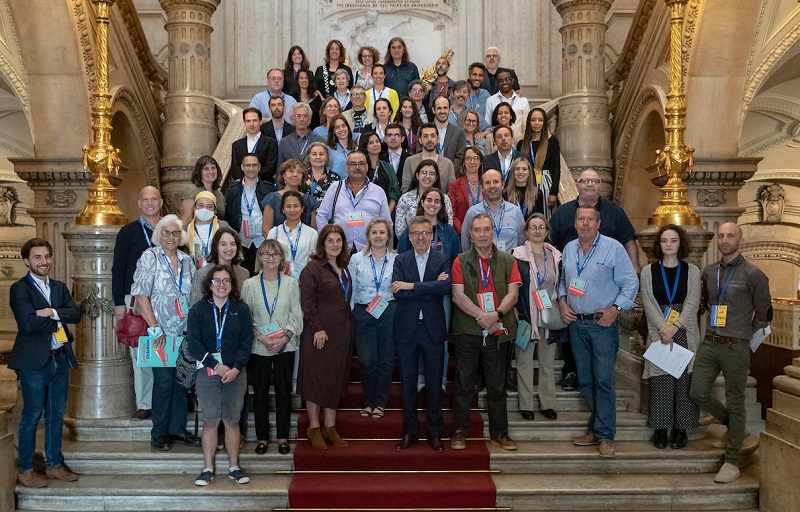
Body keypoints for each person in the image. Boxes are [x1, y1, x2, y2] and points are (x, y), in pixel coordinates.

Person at [689, 222, 772, 484]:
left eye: (730, 236)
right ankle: (736, 429)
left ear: (740, 240)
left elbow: (764, 313)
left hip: (736, 345)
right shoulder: (709, 271)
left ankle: (732, 460)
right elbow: (703, 304)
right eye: (721, 236)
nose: (725, 240)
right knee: (697, 391)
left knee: (736, 401)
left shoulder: (754, 274)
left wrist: (746, 337)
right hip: (710, 342)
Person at [549, 168, 642, 391]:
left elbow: (628, 238)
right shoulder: (563, 212)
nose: (590, 184)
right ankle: (571, 370)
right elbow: (551, 243)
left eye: (595, 181)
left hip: (603, 284)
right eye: (585, 181)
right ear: (577, 185)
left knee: (601, 368)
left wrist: (635, 266)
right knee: (572, 328)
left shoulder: (614, 211)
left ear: (600, 186)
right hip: (571, 283)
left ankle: (602, 419)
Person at [557, 206, 638, 458]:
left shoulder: (613, 248)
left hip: (602, 324)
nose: (585, 223)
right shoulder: (569, 248)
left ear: (598, 222)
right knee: (586, 380)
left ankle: (605, 436)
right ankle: (594, 428)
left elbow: (630, 282)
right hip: (576, 324)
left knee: (603, 380)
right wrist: (561, 301)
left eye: (589, 219)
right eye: (580, 219)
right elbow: (563, 281)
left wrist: (616, 309)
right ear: (575, 222)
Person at [11, 238, 82, 488]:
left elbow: (76, 314)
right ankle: (26, 469)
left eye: (47, 256)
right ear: (26, 261)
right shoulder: (19, 289)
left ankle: (54, 464)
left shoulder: (60, 287)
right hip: (33, 362)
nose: (44, 262)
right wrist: (59, 316)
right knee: (31, 416)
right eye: (38, 257)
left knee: (55, 416)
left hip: (59, 358)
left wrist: (50, 312)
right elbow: (28, 323)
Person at [451, 213, 520, 451]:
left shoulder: (509, 261)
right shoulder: (460, 260)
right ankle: (460, 430)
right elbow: (458, 295)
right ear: (470, 233)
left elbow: (513, 294)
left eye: (486, 230)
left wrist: (496, 315)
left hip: (498, 331)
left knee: (497, 386)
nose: (482, 235)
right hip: (469, 330)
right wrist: (483, 317)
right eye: (477, 230)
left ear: (493, 232)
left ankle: (500, 433)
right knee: (463, 384)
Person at [131, 214, 199, 452]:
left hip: (184, 331)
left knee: (182, 382)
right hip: (160, 332)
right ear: (158, 234)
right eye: (167, 232)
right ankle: (159, 432)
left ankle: (177, 429)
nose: (171, 237)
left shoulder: (187, 260)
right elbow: (141, 294)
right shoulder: (149, 257)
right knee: (163, 382)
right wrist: (154, 327)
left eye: (176, 233)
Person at [187, 265, 252, 486]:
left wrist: (234, 368)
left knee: (232, 420)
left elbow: (246, 342)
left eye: (226, 281)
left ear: (232, 285)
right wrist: (217, 366)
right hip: (208, 372)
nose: (221, 285)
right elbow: (193, 344)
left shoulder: (240, 309)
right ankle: (208, 468)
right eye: (217, 281)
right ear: (209, 284)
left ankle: (234, 467)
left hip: (236, 372)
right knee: (211, 421)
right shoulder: (198, 310)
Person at [392, 216, 452, 453]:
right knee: (407, 384)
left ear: (432, 236)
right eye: (415, 233)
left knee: (434, 384)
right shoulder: (401, 259)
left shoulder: (442, 259)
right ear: (409, 236)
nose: (420, 237)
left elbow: (445, 288)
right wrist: (428, 286)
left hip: (433, 330)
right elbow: (397, 292)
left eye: (425, 233)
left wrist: (411, 286)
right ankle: (410, 431)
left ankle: (435, 433)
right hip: (406, 330)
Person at [640, 225, 700, 450]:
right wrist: (663, 328)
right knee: (661, 382)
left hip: (684, 331)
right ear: (659, 244)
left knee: (684, 382)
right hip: (659, 333)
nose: (668, 244)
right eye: (664, 240)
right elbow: (648, 302)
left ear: (680, 243)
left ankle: (681, 429)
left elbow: (692, 303)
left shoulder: (692, 271)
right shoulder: (648, 271)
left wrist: (675, 326)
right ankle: (661, 429)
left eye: (673, 240)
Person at [242, 240, 303, 456]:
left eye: (275, 254)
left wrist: (283, 338)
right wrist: (262, 337)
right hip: (259, 346)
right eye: (266, 254)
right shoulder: (249, 284)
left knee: (283, 392)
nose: (270, 258)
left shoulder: (291, 283)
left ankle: (283, 437)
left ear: (281, 259)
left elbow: (297, 315)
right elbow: (245, 318)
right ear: (259, 257)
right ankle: (262, 438)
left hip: (284, 345)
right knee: (259, 393)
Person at [298, 224, 355, 449]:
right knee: (316, 376)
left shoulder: (344, 267)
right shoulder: (313, 268)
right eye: (330, 241)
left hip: (342, 331)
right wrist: (317, 328)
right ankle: (314, 426)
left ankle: (330, 426)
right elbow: (307, 302)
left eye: (338, 241)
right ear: (322, 244)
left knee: (336, 376)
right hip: (319, 332)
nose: (335, 245)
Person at [112, 186, 161, 421]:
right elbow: (119, 268)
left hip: (165, 300)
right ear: (139, 204)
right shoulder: (128, 232)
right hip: (135, 299)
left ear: (161, 202)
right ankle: (145, 403)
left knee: (167, 347)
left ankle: (166, 397)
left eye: (154, 199)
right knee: (142, 352)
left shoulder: (170, 230)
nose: (150, 203)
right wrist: (118, 303)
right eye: (145, 200)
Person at [512, 214, 561, 421]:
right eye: (533, 227)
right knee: (524, 361)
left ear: (547, 231)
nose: (538, 231)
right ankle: (526, 404)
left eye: (542, 227)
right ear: (526, 231)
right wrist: (514, 308)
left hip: (549, 315)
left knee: (547, 362)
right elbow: (512, 284)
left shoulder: (555, 255)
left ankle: (547, 403)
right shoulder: (517, 255)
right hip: (525, 314)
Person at [348, 218, 396, 420]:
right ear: (368, 235)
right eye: (374, 232)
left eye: (382, 232)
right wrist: (353, 313)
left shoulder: (397, 258)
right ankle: (368, 401)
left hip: (389, 310)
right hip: (363, 310)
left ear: (388, 236)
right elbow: (350, 287)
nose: (378, 236)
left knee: (385, 359)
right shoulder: (356, 259)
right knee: (367, 360)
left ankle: (380, 403)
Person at [316, 150, 392, 253]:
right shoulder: (335, 188)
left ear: (366, 167)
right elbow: (322, 216)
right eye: (353, 164)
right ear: (346, 167)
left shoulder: (378, 192)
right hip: (339, 251)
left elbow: (387, 223)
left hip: (369, 251)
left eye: (361, 164)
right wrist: (328, 240)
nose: (357, 167)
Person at [223, 154, 276, 275]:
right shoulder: (232, 191)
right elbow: (229, 216)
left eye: (254, 165)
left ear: (259, 167)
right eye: (247, 165)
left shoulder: (269, 190)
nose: (251, 168)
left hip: (263, 240)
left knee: (265, 275)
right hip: (242, 242)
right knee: (242, 276)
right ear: (242, 167)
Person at [460, 169, 525, 253]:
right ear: (482, 187)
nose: (492, 186)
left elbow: (522, 243)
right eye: (487, 183)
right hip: (481, 264)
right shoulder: (472, 213)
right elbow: (465, 244)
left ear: (503, 185)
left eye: (496, 182)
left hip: (510, 263)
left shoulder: (515, 211)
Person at [189, 227, 250, 306]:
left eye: (232, 244)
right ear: (216, 247)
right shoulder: (201, 274)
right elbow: (195, 309)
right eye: (223, 244)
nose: (229, 248)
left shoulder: (244, 274)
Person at [395, 159, 454, 238]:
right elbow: (399, 231)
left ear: (436, 178)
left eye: (431, 173)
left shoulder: (445, 199)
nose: (427, 176)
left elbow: (448, 225)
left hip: (439, 244)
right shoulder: (405, 198)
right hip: (411, 245)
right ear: (417, 175)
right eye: (424, 172)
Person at [267, 190, 319, 279]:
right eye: (288, 206)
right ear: (283, 209)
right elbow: (268, 258)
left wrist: (303, 278)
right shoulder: (274, 232)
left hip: (305, 281)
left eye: (296, 206)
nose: (292, 210)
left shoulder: (311, 233)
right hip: (279, 280)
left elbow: (314, 261)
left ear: (302, 208)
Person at [519, 107, 561, 214]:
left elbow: (556, 168)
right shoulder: (522, 144)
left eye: (540, 120)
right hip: (527, 183)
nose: (536, 123)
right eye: (533, 120)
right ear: (529, 122)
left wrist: (553, 193)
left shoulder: (552, 141)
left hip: (545, 183)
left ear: (545, 122)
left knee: (545, 216)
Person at [260, 159, 315, 236]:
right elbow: (266, 231)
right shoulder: (272, 199)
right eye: (291, 171)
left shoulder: (310, 200)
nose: (295, 175)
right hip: (277, 246)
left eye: (299, 172)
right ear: (284, 175)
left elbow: (314, 230)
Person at [229, 107, 278, 186]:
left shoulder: (271, 143)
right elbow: (235, 168)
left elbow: (271, 167)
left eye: (254, 120)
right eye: (248, 121)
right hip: (242, 186)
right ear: (244, 123)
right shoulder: (237, 145)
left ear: (260, 122)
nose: (251, 124)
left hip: (264, 186)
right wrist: (246, 180)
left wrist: (252, 177)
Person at [401, 123, 456, 193]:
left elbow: (452, 190)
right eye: (425, 136)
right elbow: (406, 188)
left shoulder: (447, 163)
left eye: (433, 136)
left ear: (438, 139)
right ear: (420, 140)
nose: (429, 139)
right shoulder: (410, 161)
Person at [485, 70, 530, 151]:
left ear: (512, 81)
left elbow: (526, 125)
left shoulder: (522, 101)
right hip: (497, 142)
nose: (504, 82)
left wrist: (523, 144)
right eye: (501, 80)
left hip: (518, 142)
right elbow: (488, 125)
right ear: (497, 83)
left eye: (507, 79)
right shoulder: (491, 100)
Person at [186, 191, 230, 269]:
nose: (204, 210)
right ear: (194, 208)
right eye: (200, 205)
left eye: (209, 206)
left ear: (215, 210)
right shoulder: (186, 228)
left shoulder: (223, 226)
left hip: (219, 273)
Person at [360, 131, 400, 212]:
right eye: (371, 143)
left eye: (377, 141)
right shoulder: (361, 168)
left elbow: (395, 192)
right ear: (365, 146)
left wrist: (387, 212)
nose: (375, 144)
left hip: (387, 212)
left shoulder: (388, 167)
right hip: (365, 212)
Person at [448, 147, 484, 236]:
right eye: (468, 158)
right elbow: (452, 213)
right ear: (463, 162)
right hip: (462, 234)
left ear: (480, 162)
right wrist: (464, 232)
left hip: (485, 233)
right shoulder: (455, 185)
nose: (472, 162)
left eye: (476, 158)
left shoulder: (486, 184)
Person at [181, 156, 225, 224]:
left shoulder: (219, 194)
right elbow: (187, 219)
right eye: (206, 169)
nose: (211, 171)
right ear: (199, 172)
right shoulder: (191, 190)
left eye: (213, 168)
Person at [278, 102, 324, 166]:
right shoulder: (284, 142)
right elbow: (280, 170)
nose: (301, 119)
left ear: (309, 119)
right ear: (292, 120)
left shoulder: (319, 140)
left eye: (305, 116)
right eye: (298, 116)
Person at [433, 96, 467, 171]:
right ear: (433, 110)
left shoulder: (459, 132)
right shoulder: (424, 130)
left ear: (450, 109)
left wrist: (447, 171)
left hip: (451, 176)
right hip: (429, 176)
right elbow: (421, 153)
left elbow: (460, 157)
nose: (442, 111)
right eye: (439, 108)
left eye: (445, 108)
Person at [327, 114, 358, 180]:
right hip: (336, 187)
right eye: (337, 127)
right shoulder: (328, 150)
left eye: (343, 126)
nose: (341, 129)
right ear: (333, 132)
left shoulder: (356, 150)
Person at [466, 62, 493, 132]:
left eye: (480, 75)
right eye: (474, 75)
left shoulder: (486, 95)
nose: (477, 78)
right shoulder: (461, 94)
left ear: (483, 78)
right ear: (469, 76)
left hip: (481, 135)